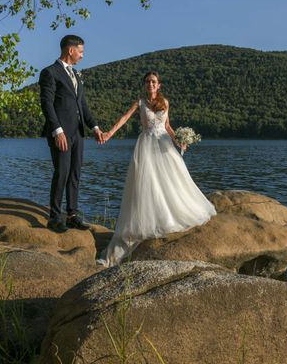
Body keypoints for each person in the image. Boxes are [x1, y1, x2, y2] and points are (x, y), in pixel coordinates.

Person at [97, 71, 216, 266]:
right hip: (146, 146)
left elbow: (167, 126)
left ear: (159, 85)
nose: (150, 84)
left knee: (172, 182)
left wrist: (179, 141)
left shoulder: (165, 102)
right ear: (145, 85)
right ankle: (143, 225)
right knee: (147, 183)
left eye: (153, 81)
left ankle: (168, 216)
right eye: (147, 82)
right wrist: (109, 133)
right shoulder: (140, 102)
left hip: (164, 145)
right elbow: (124, 119)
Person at [39, 35, 104, 233]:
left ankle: (73, 215)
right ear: (71, 50)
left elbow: (81, 105)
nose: (83, 56)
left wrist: (94, 127)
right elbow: (47, 104)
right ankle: (55, 217)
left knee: (75, 173)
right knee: (62, 173)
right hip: (61, 133)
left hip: (78, 133)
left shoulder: (76, 75)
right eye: (81, 51)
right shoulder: (49, 73)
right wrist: (56, 130)